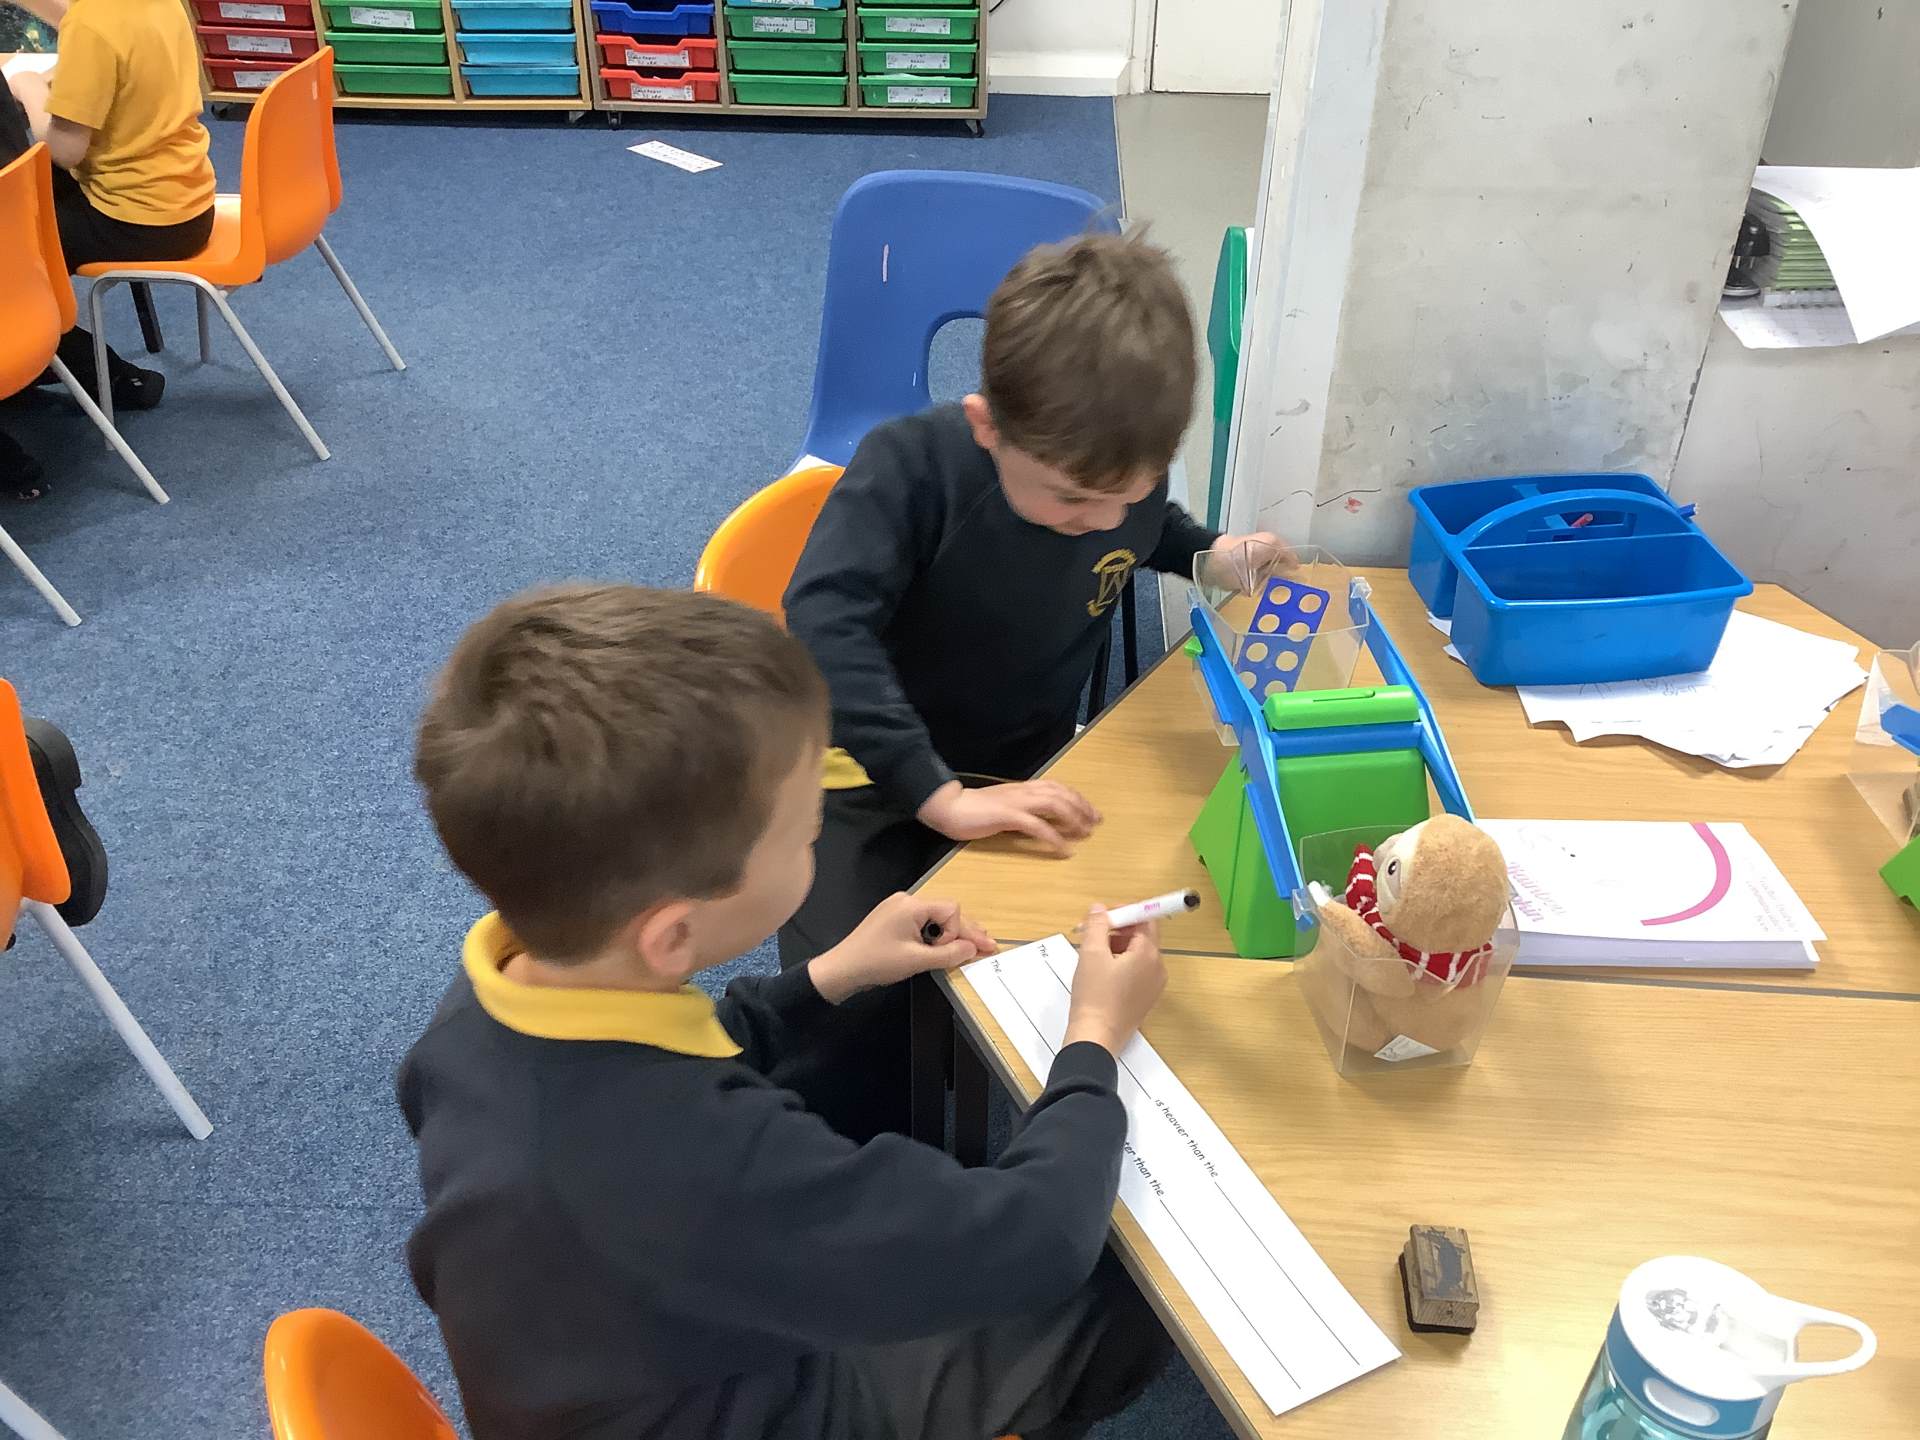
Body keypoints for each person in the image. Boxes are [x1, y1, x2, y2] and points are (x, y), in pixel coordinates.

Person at [399, 583, 1174, 1440]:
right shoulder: (713, 1159)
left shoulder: (483, 1004)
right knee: (1132, 1293)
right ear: (672, 935)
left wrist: (832, 973)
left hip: (607, 1353)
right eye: (807, 830)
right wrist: (1093, 1038)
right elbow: (1037, 1243)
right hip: (741, 1404)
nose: (818, 837)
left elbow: (671, 1062)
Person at [775, 230, 1282, 1141]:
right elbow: (823, 625)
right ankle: (867, 1164)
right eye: (1068, 498)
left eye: (1123, 493)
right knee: (851, 1017)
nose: (1098, 520)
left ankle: (958, 1106)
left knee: (1059, 979)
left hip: (1022, 771)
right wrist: (937, 796)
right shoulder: (911, 466)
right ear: (987, 426)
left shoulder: (1108, 483)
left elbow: (1149, 527)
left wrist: (1208, 553)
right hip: (865, 782)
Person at [5, 0, 214, 420]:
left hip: (133, 220)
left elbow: (65, 150)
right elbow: (98, 36)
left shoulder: (90, 27)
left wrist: (28, 87)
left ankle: (69, 366)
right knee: (24, 199)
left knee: (13, 253)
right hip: (184, 200)